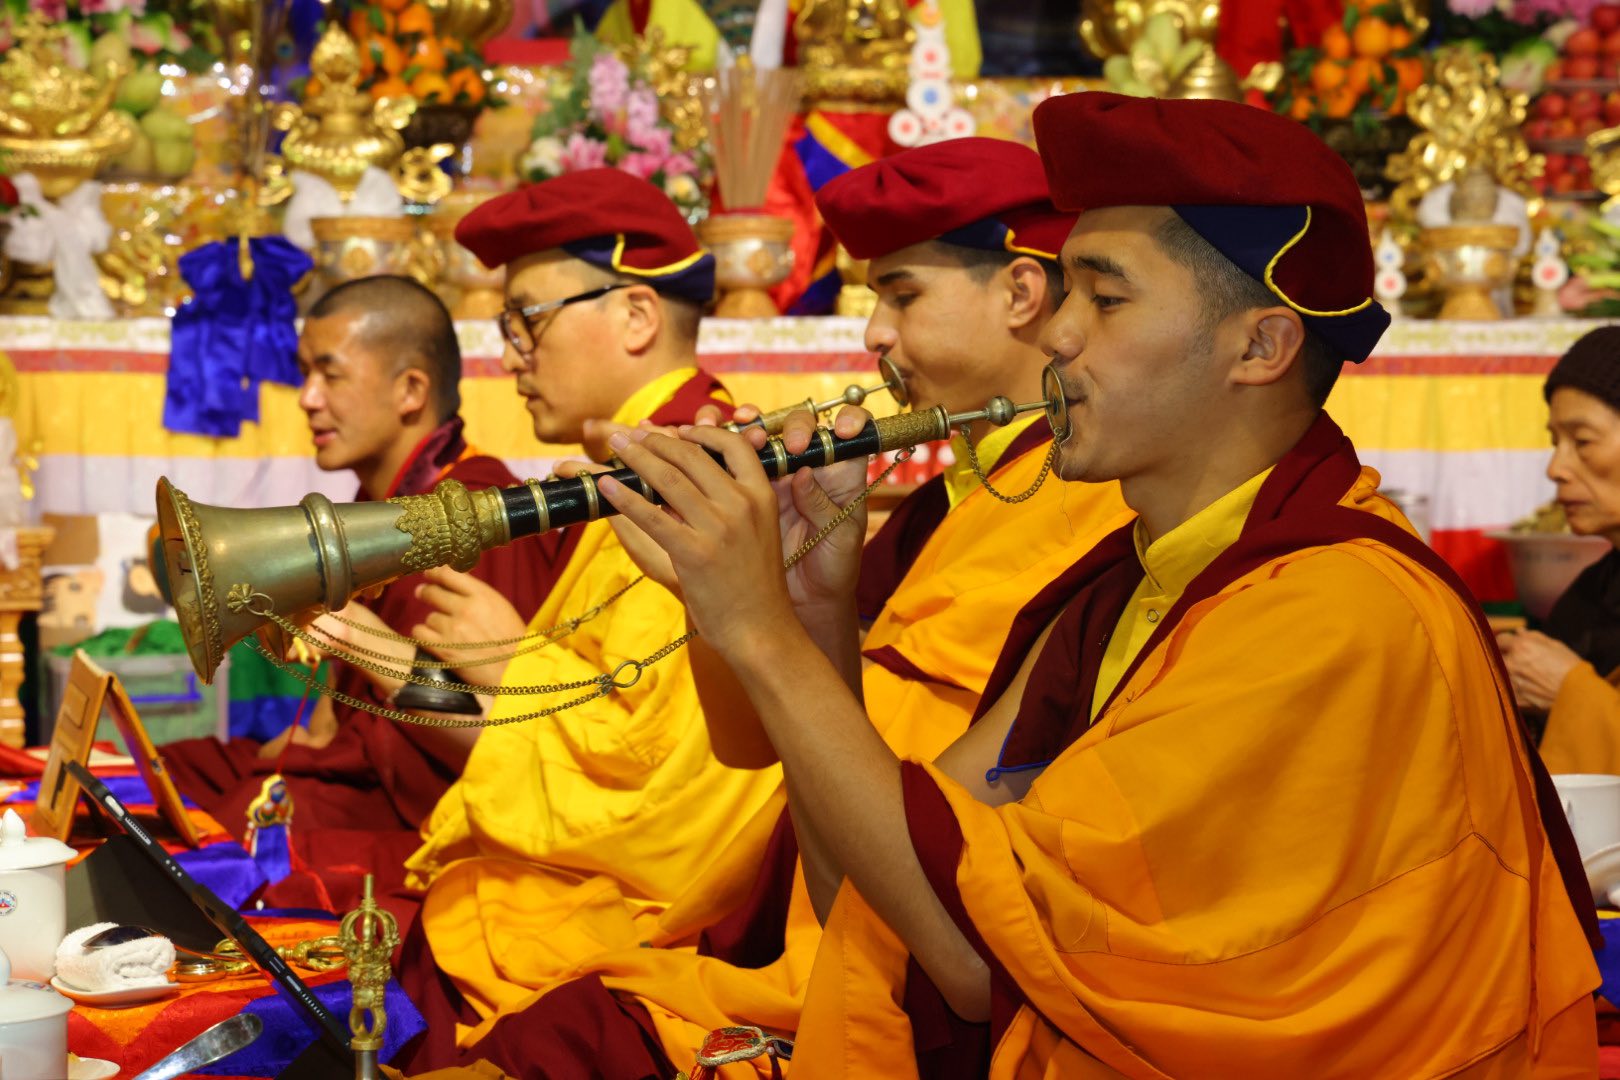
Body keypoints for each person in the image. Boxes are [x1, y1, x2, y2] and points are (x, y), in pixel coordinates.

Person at [599, 93, 1601, 1076]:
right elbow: (886, 903)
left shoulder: (1334, 612)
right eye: (1067, 290)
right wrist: (816, 612)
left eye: (1105, 298)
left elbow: (973, 959)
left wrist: (760, 630)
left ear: (1260, 345)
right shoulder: (1127, 588)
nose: (1057, 335)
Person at [396, 137, 1133, 1075]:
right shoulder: (945, 508)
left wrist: (755, 614)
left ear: (1023, 294)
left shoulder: (1087, 516)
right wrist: (727, 596)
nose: (873, 334)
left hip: (897, 953)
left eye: (902, 295)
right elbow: (758, 746)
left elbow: (927, 854)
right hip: (829, 916)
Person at [397, 169, 785, 1052]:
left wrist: (509, 658)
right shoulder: (636, 466)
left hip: (654, 908)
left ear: (638, 316)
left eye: (528, 320)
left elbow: (658, 778)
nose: (511, 356)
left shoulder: (699, 478)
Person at [162, 275, 551, 917]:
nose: (307, 398)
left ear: (411, 391)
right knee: (169, 773)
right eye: (304, 373)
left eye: (331, 374)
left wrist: (341, 695)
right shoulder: (380, 502)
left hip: (419, 806)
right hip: (358, 765)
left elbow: (485, 732)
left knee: (232, 838)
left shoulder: (472, 519)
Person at [1503, 325, 1620, 773]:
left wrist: (1569, 693)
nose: (1556, 468)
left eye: (1582, 441)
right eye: (1556, 443)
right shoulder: (1592, 593)